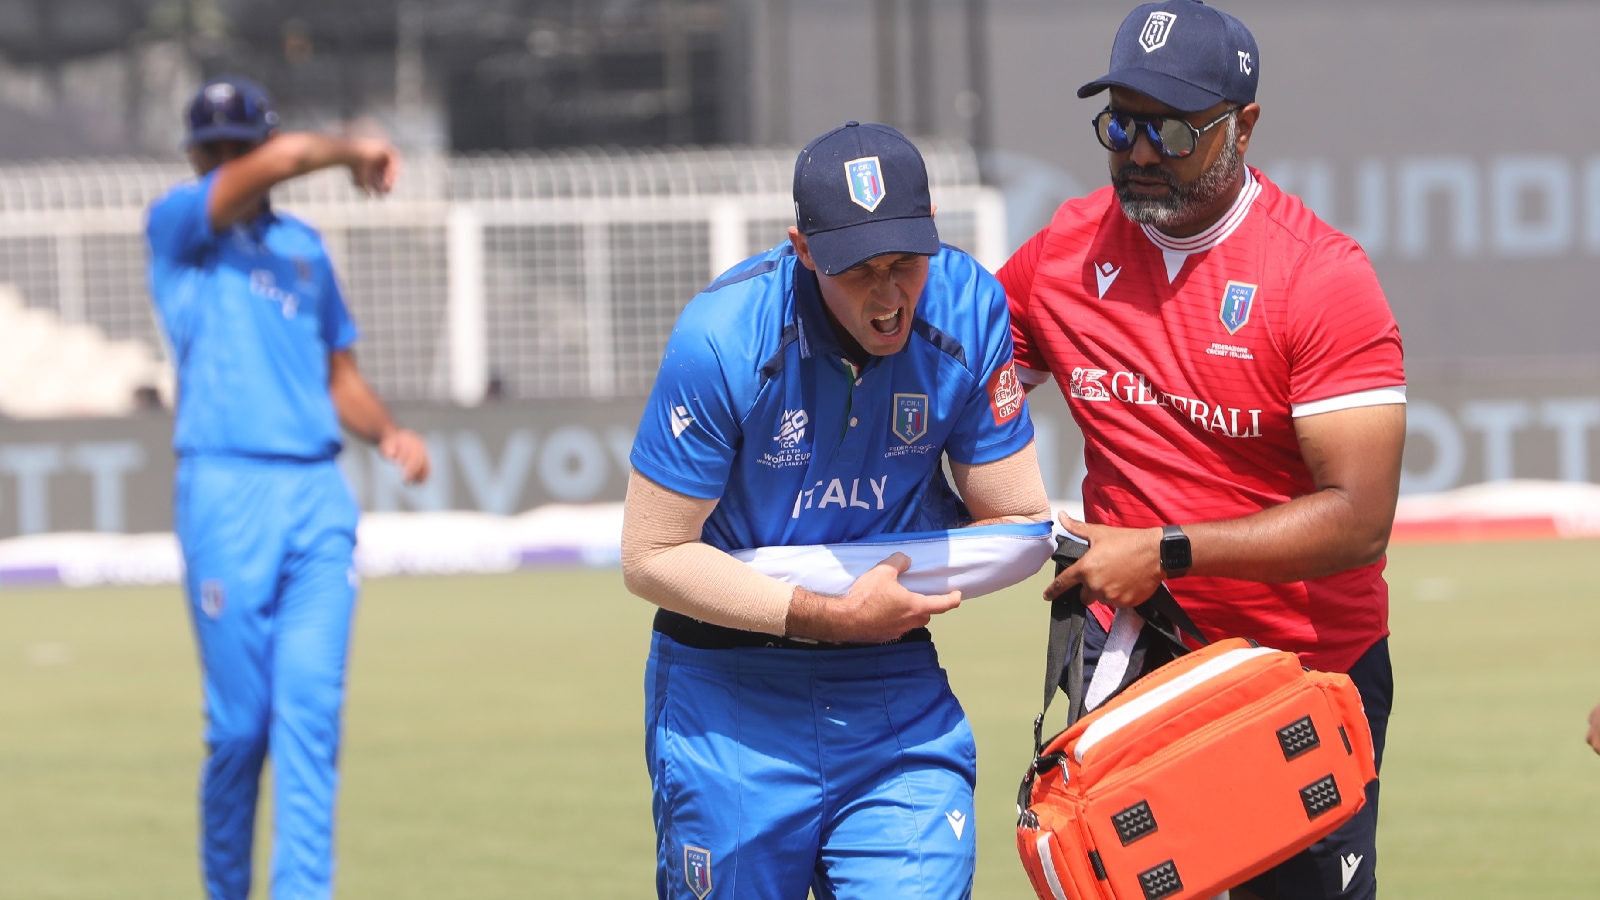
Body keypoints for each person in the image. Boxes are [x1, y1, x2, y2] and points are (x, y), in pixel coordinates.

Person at [998, 3, 1406, 898]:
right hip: (1137, 658)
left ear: (1244, 126)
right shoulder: (1061, 254)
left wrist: (1163, 550)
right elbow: (961, 399)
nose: (1141, 152)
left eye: (1175, 130)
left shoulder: (1322, 278)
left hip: (1297, 676)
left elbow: (1360, 519)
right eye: (1121, 124)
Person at [621, 121, 1054, 899]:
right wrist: (826, 610)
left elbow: (1015, 515)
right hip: (728, 690)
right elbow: (651, 555)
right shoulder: (721, 336)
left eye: (907, 263)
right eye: (860, 269)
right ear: (804, 249)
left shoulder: (970, 308)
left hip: (892, 681)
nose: (890, 296)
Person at [145, 76, 430, 899]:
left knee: (310, 719)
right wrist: (356, 149)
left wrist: (388, 433)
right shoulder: (177, 228)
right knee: (240, 729)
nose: (233, 162)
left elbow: (336, 372)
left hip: (315, 496)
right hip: (224, 491)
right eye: (219, 150)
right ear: (197, 157)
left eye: (244, 145)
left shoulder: (304, 249)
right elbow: (296, 155)